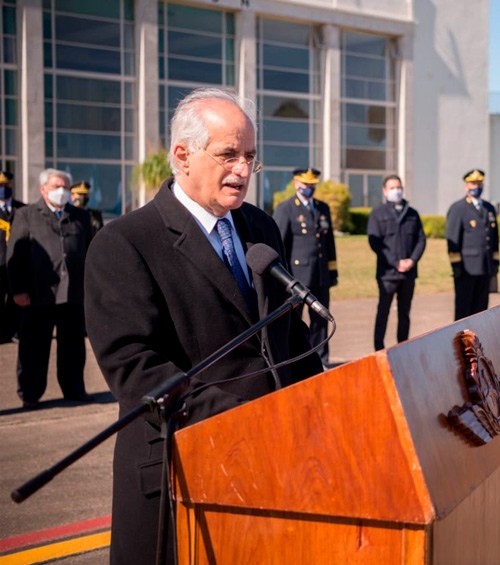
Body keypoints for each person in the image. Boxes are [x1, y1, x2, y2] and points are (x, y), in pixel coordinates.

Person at [84, 87, 322, 564]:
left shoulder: (260, 227)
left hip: (275, 463)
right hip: (184, 471)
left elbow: (288, 335)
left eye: (250, 157)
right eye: (228, 154)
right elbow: (137, 370)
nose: (241, 170)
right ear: (183, 155)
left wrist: (324, 404)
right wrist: (245, 422)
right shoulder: (126, 243)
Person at [6, 169, 93, 409]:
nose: (62, 191)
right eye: (57, 186)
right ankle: (30, 394)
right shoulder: (26, 215)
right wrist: (18, 290)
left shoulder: (80, 217)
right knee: (34, 348)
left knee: (73, 348)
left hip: (74, 294)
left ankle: (75, 389)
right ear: (43, 189)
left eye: (65, 186)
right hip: (37, 295)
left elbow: (91, 253)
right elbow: (16, 255)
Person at [272, 167, 338, 365]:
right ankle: (295, 362)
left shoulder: (322, 208)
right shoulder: (286, 209)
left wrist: (332, 272)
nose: (309, 188)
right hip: (297, 278)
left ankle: (321, 360)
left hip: (320, 276)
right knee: (295, 323)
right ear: (296, 183)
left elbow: (329, 244)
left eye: (312, 185)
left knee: (320, 321)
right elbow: (279, 245)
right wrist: (284, 279)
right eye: (305, 184)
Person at [367, 174, 426, 350]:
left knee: (404, 312)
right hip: (388, 274)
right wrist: (395, 262)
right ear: (385, 191)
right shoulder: (378, 214)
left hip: (408, 273)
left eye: (398, 187)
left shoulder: (412, 214)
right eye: (392, 188)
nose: (396, 191)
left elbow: (421, 240)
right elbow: (375, 242)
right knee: (383, 311)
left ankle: (403, 347)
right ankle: (378, 348)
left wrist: (412, 260)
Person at [446, 168, 499, 320]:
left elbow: (494, 239)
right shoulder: (458, 208)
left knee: (481, 310)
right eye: (473, 183)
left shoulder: (489, 208)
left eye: (479, 183)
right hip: (466, 269)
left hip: (485, 268)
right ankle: (462, 342)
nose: (476, 186)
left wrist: (495, 262)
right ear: (466, 186)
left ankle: (476, 342)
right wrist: (456, 267)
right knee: (464, 309)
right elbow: (453, 240)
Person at [0, 170, 25, 343]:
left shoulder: (23, 209)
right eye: (0, 186)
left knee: (16, 301)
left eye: (6, 185)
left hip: (17, 264)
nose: (4, 188)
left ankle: (14, 331)